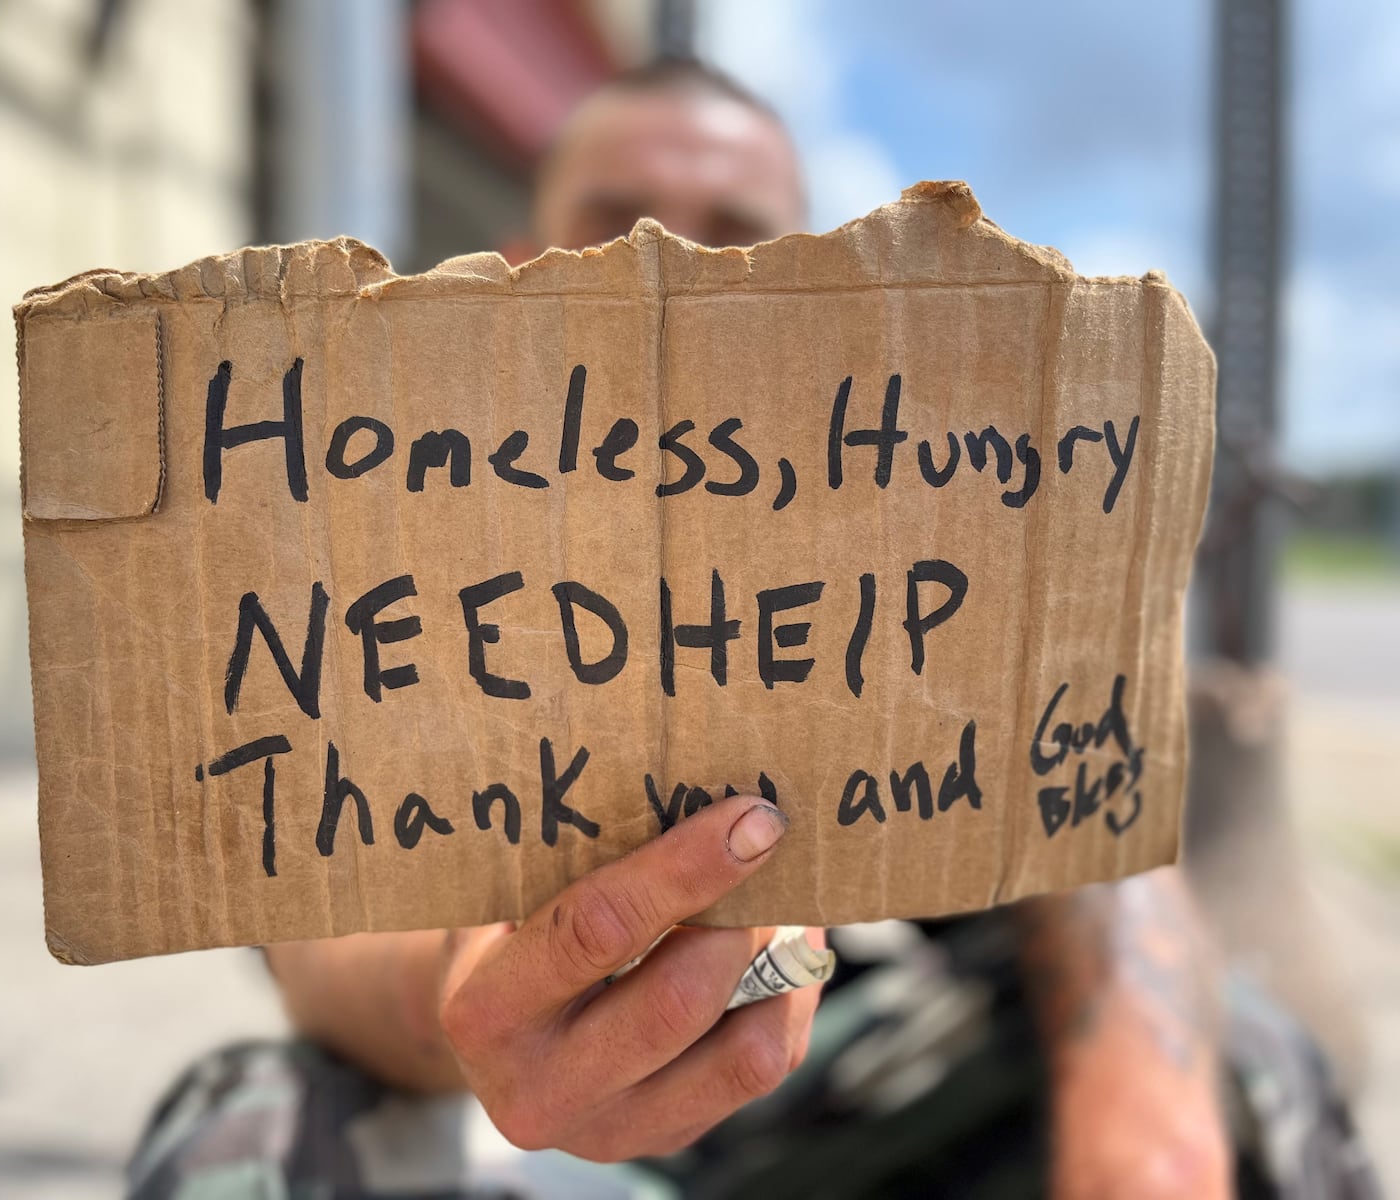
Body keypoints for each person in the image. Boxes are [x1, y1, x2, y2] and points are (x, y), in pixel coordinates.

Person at [127, 59, 1376, 1200]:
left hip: (841, 1081)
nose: (662, 260)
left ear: (815, 292)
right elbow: (302, 923)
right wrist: (460, 988)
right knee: (247, 1124)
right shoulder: (384, 534)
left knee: (1242, 1050)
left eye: (732, 236)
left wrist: (1145, 1124)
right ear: (513, 270)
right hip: (492, 1127)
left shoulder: (921, 522)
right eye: (609, 221)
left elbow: (1083, 823)